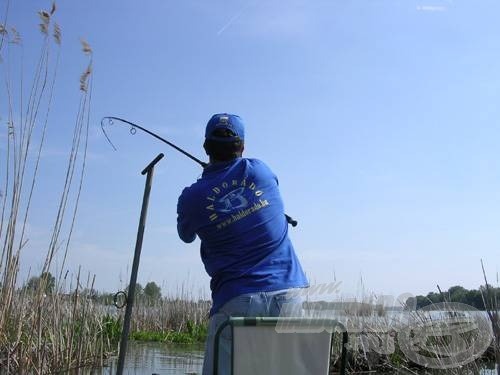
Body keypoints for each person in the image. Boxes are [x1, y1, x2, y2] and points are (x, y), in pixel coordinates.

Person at [176, 113, 309, 374]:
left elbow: (186, 235)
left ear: (205, 147)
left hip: (235, 301)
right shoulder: (260, 171)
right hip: (288, 297)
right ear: (242, 146)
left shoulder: (192, 197)